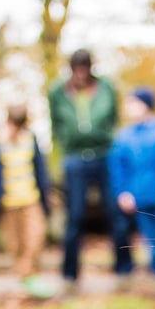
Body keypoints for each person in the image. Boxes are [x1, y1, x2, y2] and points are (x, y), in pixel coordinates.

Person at [48, 48, 131, 285]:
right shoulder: (58, 91)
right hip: (74, 157)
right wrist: (65, 144)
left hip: (104, 154)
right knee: (74, 216)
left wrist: (107, 136)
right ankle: (69, 273)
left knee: (114, 213)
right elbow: (56, 123)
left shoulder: (106, 88)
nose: (81, 74)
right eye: (77, 69)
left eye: (85, 68)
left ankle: (124, 268)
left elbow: (114, 117)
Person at [108, 87, 155, 278]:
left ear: (145, 105)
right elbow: (118, 167)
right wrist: (122, 192)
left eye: (133, 103)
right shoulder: (123, 136)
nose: (129, 108)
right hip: (138, 196)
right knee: (149, 240)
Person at [0, 104, 51, 287]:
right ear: (8, 122)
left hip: (31, 199)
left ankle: (28, 276)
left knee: (36, 238)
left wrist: (47, 197)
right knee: (15, 245)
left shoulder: (30, 139)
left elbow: (41, 171)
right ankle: (27, 280)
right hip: (7, 203)